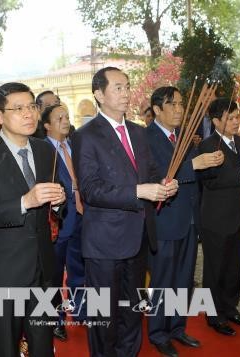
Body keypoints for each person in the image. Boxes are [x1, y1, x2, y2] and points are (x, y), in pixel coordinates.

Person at [72, 67, 178, 357]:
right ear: (98, 94)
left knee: (132, 313)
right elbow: (91, 190)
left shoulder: (138, 132)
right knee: (104, 317)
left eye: (127, 87)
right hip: (105, 242)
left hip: (139, 236)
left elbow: (152, 173)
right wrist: (138, 191)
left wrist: (164, 184)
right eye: (118, 87)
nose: (126, 93)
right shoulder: (86, 135)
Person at [0, 82, 65, 357]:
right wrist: (25, 202)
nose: (28, 114)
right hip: (5, 272)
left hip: (44, 268)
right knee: (6, 347)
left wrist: (59, 203)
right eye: (18, 108)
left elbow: (55, 199)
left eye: (32, 107)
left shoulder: (45, 150)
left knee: (42, 346)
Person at [145, 87, 224, 357]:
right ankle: (158, 333)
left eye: (181, 104)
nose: (179, 109)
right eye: (173, 104)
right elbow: (160, 175)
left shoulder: (183, 136)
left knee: (183, 279)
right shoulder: (147, 138)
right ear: (157, 109)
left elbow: (193, 177)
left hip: (189, 219)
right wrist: (196, 165)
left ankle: (177, 327)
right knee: (162, 280)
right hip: (165, 221)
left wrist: (207, 164)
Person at [198, 98, 240, 336]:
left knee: (235, 268)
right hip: (216, 219)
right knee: (215, 269)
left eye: (237, 117)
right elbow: (211, 181)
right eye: (231, 118)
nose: (236, 121)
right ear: (216, 121)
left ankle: (230, 309)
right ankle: (214, 316)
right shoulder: (207, 146)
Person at [42, 104, 85, 341]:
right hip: (58, 220)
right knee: (55, 275)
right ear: (46, 125)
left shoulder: (76, 145)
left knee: (81, 269)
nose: (65, 121)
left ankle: (82, 311)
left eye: (67, 117)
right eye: (59, 118)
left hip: (83, 216)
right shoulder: (42, 150)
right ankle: (56, 320)